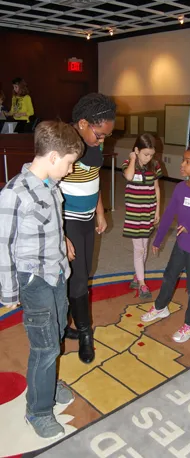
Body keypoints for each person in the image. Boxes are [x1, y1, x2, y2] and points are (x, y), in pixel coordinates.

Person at [0, 121, 84, 439]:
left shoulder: (52, 185)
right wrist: (9, 291)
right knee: (45, 345)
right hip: (33, 279)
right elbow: (3, 245)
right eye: (69, 163)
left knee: (58, 329)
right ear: (52, 157)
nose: (71, 169)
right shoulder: (13, 194)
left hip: (57, 271)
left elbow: (52, 224)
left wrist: (63, 242)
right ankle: (38, 409)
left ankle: (47, 382)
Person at [59, 93, 116, 364]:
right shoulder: (61, 143)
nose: (102, 140)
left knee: (82, 272)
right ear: (82, 123)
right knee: (77, 276)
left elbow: (94, 178)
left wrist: (100, 211)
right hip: (67, 220)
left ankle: (69, 324)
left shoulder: (95, 144)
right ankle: (84, 333)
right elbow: (48, 189)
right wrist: (60, 233)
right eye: (100, 134)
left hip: (87, 218)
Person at [141, 145, 190, 342]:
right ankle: (161, 307)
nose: (182, 165)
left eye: (188, 161)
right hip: (180, 244)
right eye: (183, 160)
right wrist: (159, 238)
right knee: (169, 275)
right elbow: (170, 214)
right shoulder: (180, 188)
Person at [123, 133, 162, 298]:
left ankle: (137, 276)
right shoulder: (128, 163)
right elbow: (128, 176)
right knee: (138, 249)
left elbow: (157, 188)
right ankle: (142, 283)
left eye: (151, 155)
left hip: (148, 212)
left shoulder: (155, 165)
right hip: (133, 213)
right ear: (137, 150)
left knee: (144, 246)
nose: (148, 158)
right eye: (145, 154)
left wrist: (157, 210)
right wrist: (132, 159)